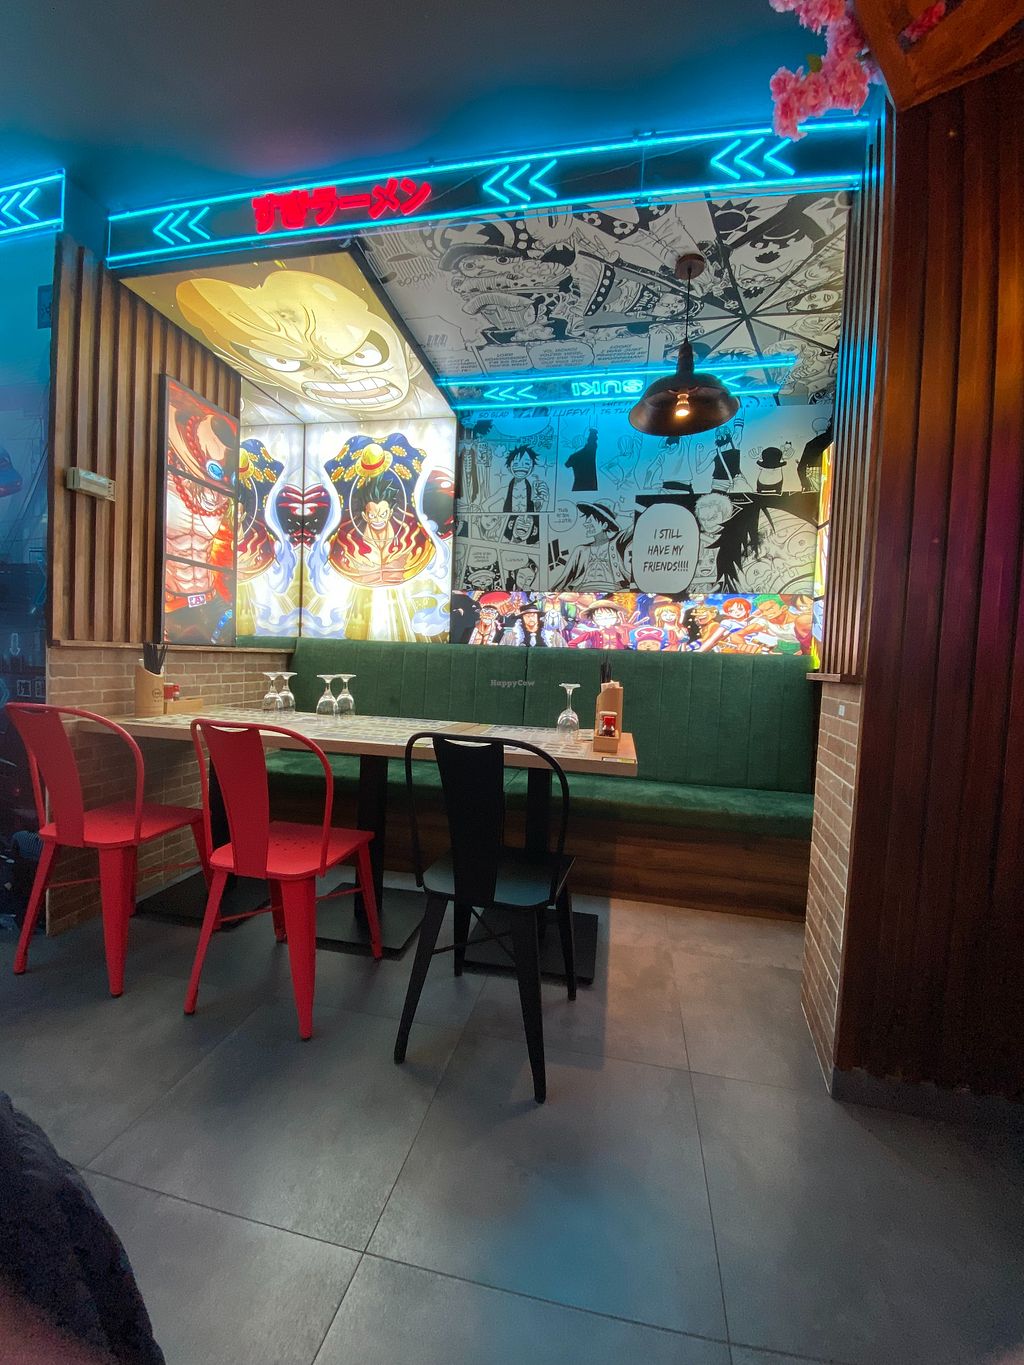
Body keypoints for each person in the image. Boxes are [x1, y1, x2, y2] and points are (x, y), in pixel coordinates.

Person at [552, 501, 631, 592]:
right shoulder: (580, 550)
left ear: (604, 525)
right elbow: (564, 577)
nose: (586, 524)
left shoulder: (615, 543)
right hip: (582, 589)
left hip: (613, 590)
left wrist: (623, 513)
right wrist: (553, 591)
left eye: (590, 521)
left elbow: (635, 526)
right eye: (586, 520)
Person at [500, 600, 565, 647]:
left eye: (533, 615)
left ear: (538, 616)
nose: (530, 618)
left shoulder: (553, 635)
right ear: (522, 618)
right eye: (527, 616)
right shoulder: (511, 636)